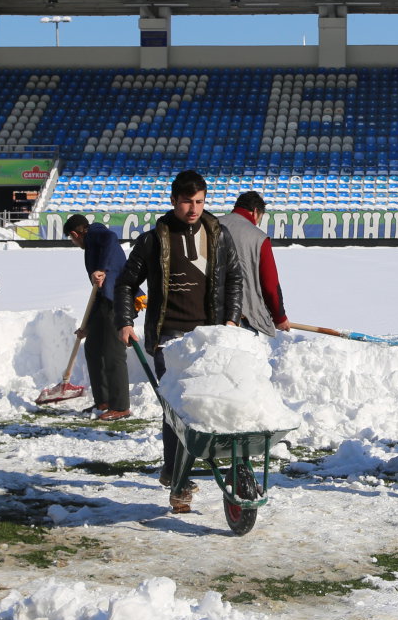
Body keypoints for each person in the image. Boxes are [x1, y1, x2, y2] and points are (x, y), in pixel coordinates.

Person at [115, 170, 242, 513]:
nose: (194, 208)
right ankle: (179, 481)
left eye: (199, 201)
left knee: (207, 405)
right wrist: (125, 321)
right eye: (187, 201)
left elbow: (234, 279)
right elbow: (126, 284)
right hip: (168, 337)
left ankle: (181, 470)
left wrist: (230, 319)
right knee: (178, 410)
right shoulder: (153, 240)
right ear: (173, 200)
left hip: (208, 335)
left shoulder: (219, 235)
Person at [64, 213, 140, 420]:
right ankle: (103, 399)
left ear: (74, 234)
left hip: (116, 299)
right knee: (93, 348)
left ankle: (121, 405)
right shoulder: (91, 245)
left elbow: (110, 238)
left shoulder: (96, 233)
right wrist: (87, 325)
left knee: (113, 352)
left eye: (71, 239)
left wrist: (102, 268)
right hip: (104, 301)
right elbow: (96, 293)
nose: (73, 243)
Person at [216, 191, 289, 337]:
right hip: (243, 317)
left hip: (208, 312)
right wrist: (280, 317)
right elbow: (270, 284)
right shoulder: (259, 237)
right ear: (256, 211)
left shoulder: (211, 224)